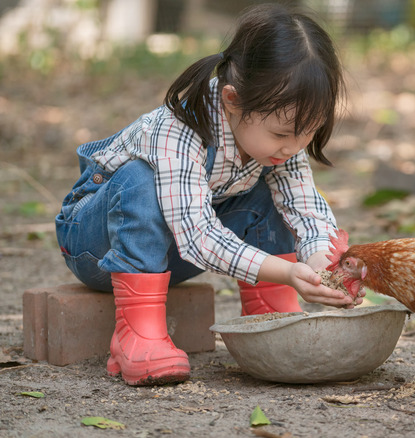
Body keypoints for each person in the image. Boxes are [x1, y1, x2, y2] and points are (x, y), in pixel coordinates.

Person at [55, 3, 362, 386]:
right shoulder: (176, 130)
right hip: (96, 247)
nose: (294, 147)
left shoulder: (277, 142)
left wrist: (321, 269)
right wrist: (286, 271)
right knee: (139, 180)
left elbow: (304, 210)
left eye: (308, 133)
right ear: (233, 100)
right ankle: (138, 332)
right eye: (283, 134)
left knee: (273, 191)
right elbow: (198, 235)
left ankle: (270, 311)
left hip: (172, 255)